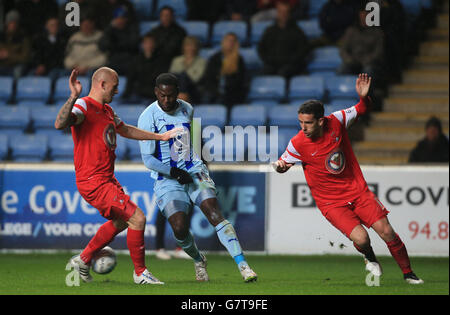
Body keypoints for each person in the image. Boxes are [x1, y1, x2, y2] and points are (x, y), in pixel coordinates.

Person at [273, 74, 424, 284]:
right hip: (331, 202)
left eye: (308, 123)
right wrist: (280, 167)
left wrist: (364, 98)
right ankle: (369, 255)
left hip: (357, 191)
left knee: (387, 231)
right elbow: (284, 164)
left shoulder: (337, 120)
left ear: (321, 120)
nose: (303, 128)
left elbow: (362, 109)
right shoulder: (298, 143)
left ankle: (409, 274)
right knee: (362, 238)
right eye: (300, 123)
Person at [55, 67, 181, 284]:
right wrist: (73, 96)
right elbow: (60, 123)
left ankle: (83, 260)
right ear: (102, 84)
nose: (117, 91)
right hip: (93, 180)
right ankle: (140, 273)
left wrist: (160, 137)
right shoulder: (83, 104)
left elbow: (127, 130)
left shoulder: (107, 111)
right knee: (138, 218)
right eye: (114, 87)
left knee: (123, 221)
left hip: (106, 179)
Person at [137, 73, 258, 282]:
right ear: (156, 92)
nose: (167, 100)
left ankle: (244, 266)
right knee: (179, 227)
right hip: (168, 178)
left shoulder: (187, 108)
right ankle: (198, 259)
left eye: (171, 95)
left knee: (214, 213)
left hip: (193, 170)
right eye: (163, 95)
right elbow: (148, 159)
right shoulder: (147, 117)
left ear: (177, 93)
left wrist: (192, 164)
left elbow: (186, 141)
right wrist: (174, 171)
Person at [257, 1, 309, 78]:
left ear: (289, 13)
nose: (283, 15)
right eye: (281, 12)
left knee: (284, 72)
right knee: (265, 72)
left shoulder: (297, 31)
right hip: (272, 64)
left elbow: (303, 50)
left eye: (286, 12)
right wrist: (268, 60)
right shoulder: (269, 31)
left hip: (290, 66)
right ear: (277, 13)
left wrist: (291, 61)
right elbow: (261, 48)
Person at [199, 32, 247, 107]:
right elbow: (208, 77)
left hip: (231, 94)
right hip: (214, 92)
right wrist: (215, 91)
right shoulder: (215, 58)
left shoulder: (239, 60)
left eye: (233, 41)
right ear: (223, 42)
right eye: (228, 40)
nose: (230, 43)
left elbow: (240, 81)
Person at [122, 33, 166, 104]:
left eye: (151, 42)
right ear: (142, 45)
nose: (149, 45)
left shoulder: (161, 60)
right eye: (146, 43)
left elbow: (159, 80)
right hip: (138, 92)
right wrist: (126, 94)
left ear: (155, 44)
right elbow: (131, 79)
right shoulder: (135, 60)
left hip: (153, 93)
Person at [98, 5, 140, 76]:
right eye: (117, 18)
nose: (120, 20)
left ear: (126, 19)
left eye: (122, 18)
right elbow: (102, 46)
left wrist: (114, 46)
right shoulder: (111, 30)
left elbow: (133, 44)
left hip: (129, 60)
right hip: (114, 60)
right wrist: (110, 29)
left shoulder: (132, 28)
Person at [169, 36, 207, 104]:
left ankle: (180, 98)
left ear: (196, 47)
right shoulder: (176, 60)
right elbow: (172, 78)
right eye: (188, 45)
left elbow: (196, 79)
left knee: (183, 76)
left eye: (193, 45)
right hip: (177, 88)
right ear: (184, 47)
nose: (190, 48)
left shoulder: (202, 62)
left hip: (193, 90)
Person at [149, 6, 186, 71]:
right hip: (157, 60)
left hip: (173, 59)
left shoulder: (180, 31)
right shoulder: (154, 31)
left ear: (172, 17)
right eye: (163, 15)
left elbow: (176, 49)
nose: (165, 18)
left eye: (167, 15)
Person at [30, 16, 67, 81]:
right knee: (30, 76)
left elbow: (60, 59)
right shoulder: (40, 40)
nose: (54, 27)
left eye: (56, 25)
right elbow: (37, 55)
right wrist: (39, 65)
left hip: (55, 68)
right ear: (46, 27)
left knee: (52, 76)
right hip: (40, 67)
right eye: (52, 25)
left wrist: (46, 67)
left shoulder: (62, 41)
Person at [0, 10, 31, 78]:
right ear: (6, 23)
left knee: (17, 72)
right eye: (10, 22)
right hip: (3, 65)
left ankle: (15, 88)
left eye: (15, 22)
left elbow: (25, 58)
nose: (13, 25)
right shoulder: (1, 36)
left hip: (16, 65)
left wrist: (9, 55)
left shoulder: (23, 38)